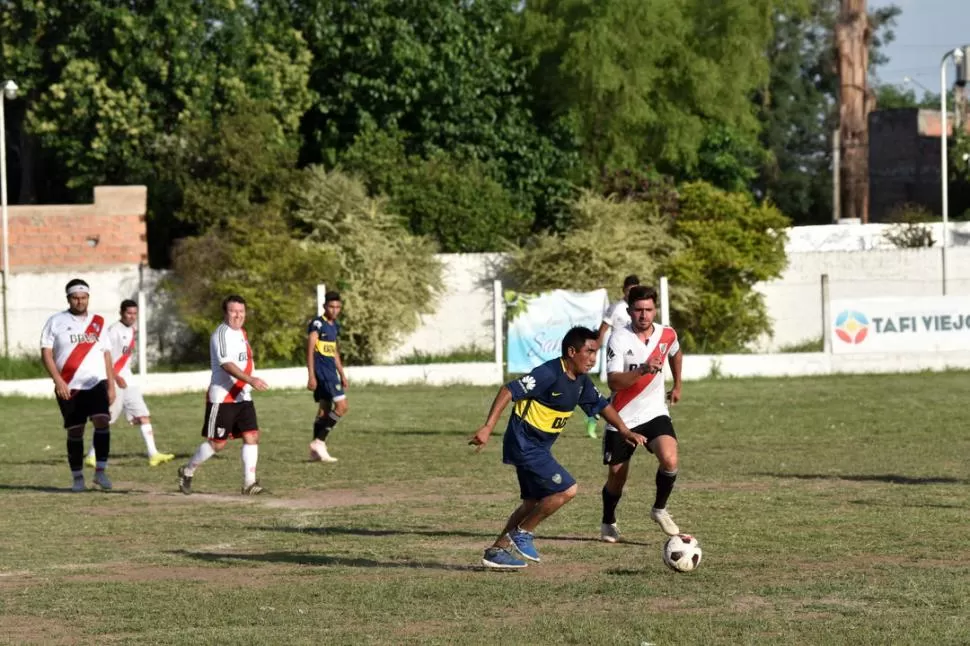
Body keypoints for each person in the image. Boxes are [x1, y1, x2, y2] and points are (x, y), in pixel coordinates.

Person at [469, 326, 646, 570]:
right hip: (524, 444)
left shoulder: (581, 381)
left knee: (532, 503)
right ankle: (523, 533)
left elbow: (602, 405)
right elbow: (508, 390)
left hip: (538, 446)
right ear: (572, 352)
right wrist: (488, 427)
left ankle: (496, 551)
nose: (594, 358)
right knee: (567, 489)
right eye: (589, 351)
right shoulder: (548, 373)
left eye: (596, 352)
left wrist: (624, 431)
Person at [599, 285, 684, 543]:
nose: (644, 315)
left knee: (669, 459)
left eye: (648, 309)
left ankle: (659, 509)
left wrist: (678, 384)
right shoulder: (619, 338)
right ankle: (608, 520)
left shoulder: (667, 334)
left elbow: (676, 353)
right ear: (629, 311)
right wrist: (643, 370)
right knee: (617, 477)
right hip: (622, 416)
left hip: (655, 412)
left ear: (655, 310)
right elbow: (614, 382)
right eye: (638, 310)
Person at [177, 295, 269, 495]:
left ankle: (249, 483)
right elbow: (226, 364)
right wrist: (251, 380)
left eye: (241, 311)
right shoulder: (221, 334)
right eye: (233, 311)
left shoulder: (242, 333)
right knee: (217, 444)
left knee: (251, 435)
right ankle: (188, 470)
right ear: (225, 313)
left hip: (243, 396)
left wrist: (248, 383)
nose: (238, 315)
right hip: (223, 398)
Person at [40, 278, 116, 492]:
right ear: (68, 299)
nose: (80, 302)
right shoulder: (55, 321)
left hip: (96, 382)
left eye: (83, 298)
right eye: (75, 298)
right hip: (69, 384)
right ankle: (77, 477)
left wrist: (111, 385)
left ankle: (100, 472)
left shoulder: (99, 322)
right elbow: (46, 353)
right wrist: (58, 380)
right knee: (76, 430)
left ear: (88, 298)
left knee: (102, 421)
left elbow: (107, 355)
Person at [85, 300, 174, 468]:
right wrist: (115, 377)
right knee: (106, 419)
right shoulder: (113, 331)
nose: (132, 317)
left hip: (129, 380)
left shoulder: (132, 330)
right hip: (115, 380)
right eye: (129, 313)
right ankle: (91, 455)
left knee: (143, 415)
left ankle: (153, 454)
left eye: (135, 313)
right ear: (121, 313)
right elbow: (103, 356)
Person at [585, 274, 641, 439]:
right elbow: (603, 329)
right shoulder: (616, 308)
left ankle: (596, 412)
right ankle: (597, 412)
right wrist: (594, 350)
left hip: (634, 354)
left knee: (630, 388)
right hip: (618, 354)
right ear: (624, 290)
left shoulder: (639, 308)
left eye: (635, 290)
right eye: (629, 290)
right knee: (623, 387)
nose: (632, 293)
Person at [306, 291, 348, 463]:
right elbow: (310, 349)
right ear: (325, 306)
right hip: (323, 372)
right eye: (331, 306)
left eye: (338, 307)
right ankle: (320, 441)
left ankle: (316, 452)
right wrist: (311, 375)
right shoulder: (317, 323)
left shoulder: (334, 326)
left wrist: (342, 373)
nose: (335, 310)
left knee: (324, 410)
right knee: (342, 407)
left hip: (331, 371)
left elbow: (334, 351)